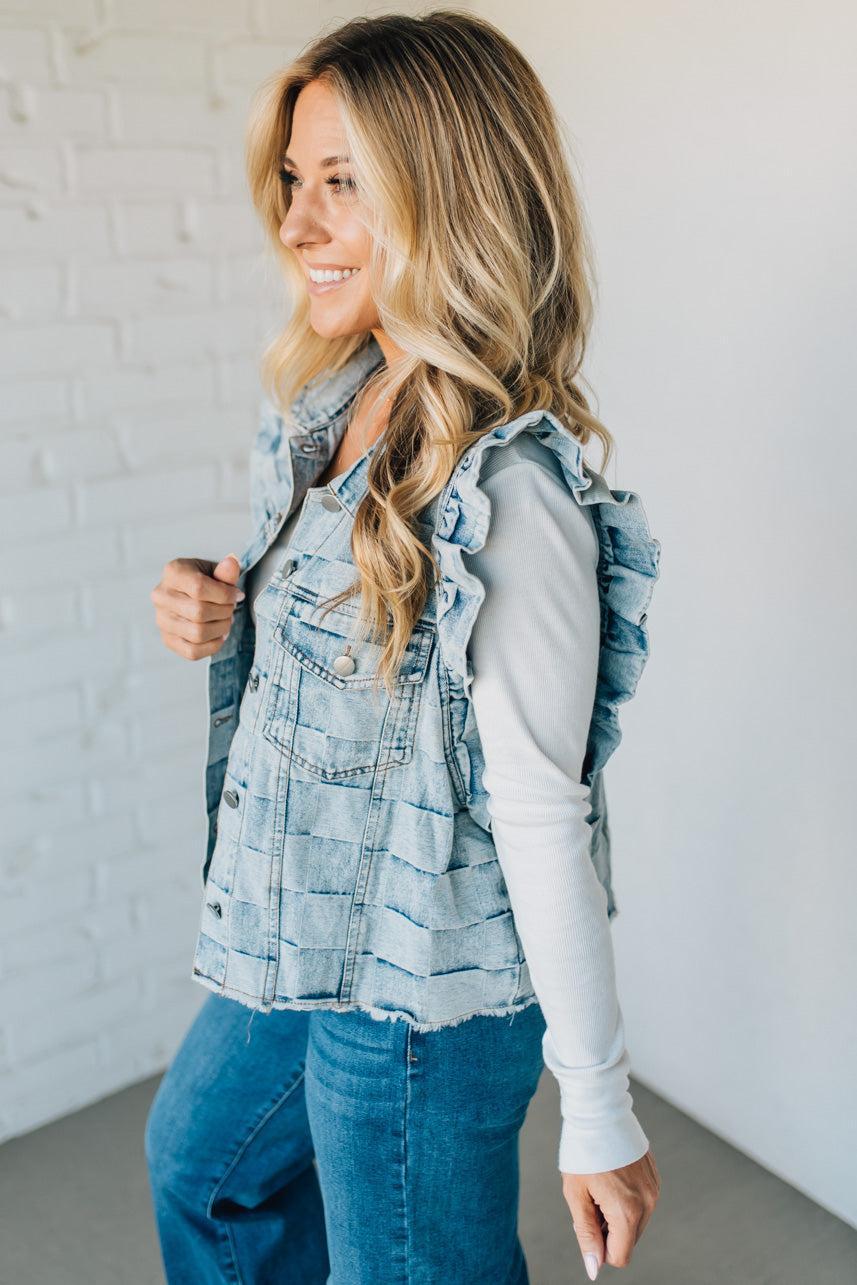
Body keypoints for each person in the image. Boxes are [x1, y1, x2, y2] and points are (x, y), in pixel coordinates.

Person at [145, 10, 662, 1283]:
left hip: (423, 997)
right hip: (301, 930)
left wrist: (594, 1106)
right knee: (200, 1171)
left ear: (451, 198)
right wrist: (215, 602)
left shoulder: (512, 494)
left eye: (343, 185)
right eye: (293, 181)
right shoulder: (334, 395)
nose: (297, 226)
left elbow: (540, 812)